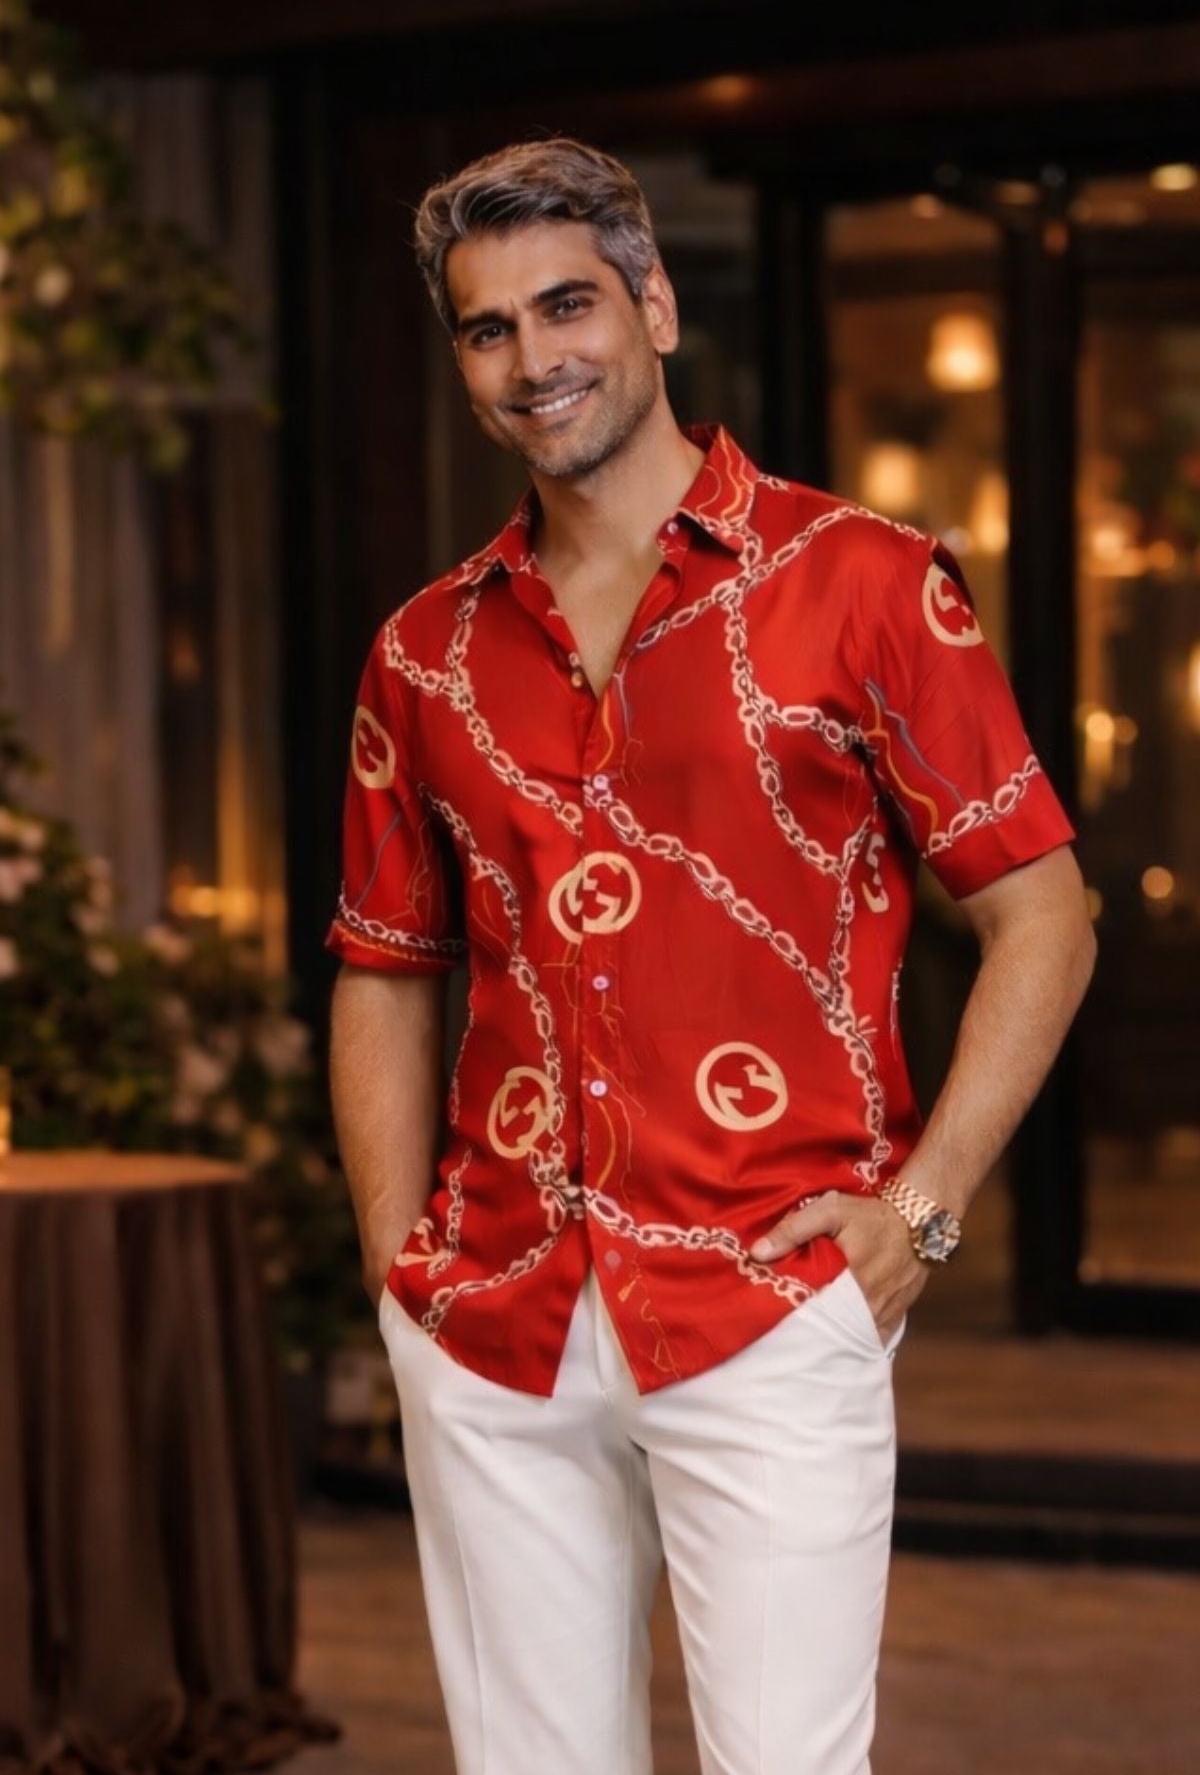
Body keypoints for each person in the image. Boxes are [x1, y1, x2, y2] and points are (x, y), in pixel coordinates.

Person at [325, 136, 1096, 1775]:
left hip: (774, 1290)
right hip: (495, 1316)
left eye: (569, 306)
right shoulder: (422, 655)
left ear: (657, 308)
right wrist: (402, 1273)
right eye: (487, 329)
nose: (534, 359)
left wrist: (923, 1213)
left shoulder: (864, 585)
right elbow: (386, 966)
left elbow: (1045, 914)